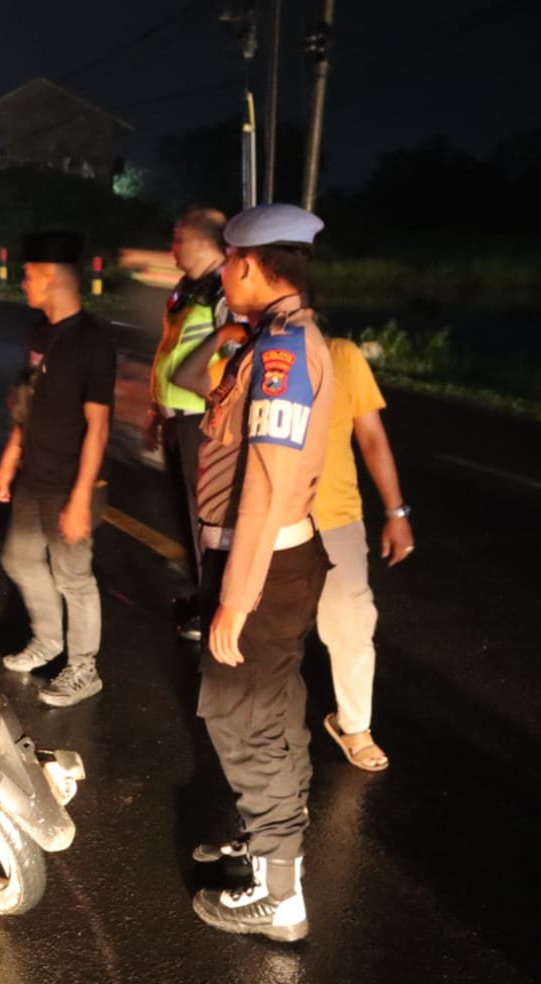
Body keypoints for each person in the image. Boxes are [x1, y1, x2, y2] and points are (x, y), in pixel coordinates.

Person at [180, 204, 334, 943]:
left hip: (263, 565)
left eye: (227, 264)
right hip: (269, 560)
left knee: (242, 719)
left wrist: (235, 601)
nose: (221, 275)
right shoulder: (276, 339)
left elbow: (267, 484)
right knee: (271, 712)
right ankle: (272, 847)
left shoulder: (282, 355)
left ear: (246, 264)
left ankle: (279, 897)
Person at [0, 230, 116, 708]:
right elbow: (27, 404)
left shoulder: (92, 341)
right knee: (19, 559)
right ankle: (48, 639)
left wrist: (81, 497)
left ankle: (85, 667)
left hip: (70, 481)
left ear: (51, 278)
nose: (23, 283)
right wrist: (9, 460)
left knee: (73, 578)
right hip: (34, 476)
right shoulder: (40, 333)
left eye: (28, 276)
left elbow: (98, 427)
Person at [313, 337, 415, 772]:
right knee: (264, 631)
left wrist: (396, 512)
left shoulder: (342, 356)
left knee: (352, 623)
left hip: (335, 517)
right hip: (268, 520)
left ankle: (354, 725)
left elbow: (371, 437)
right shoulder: (250, 353)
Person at [144, 207, 231, 641]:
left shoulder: (225, 292)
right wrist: (155, 410)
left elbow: (235, 361)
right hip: (176, 418)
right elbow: (169, 349)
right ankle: (202, 597)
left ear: (200, 241)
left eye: (178, 238)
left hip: (203, 421)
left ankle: (216, 608)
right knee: (186, 517)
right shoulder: (189, 288)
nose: (172, 247)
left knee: (206, 521)